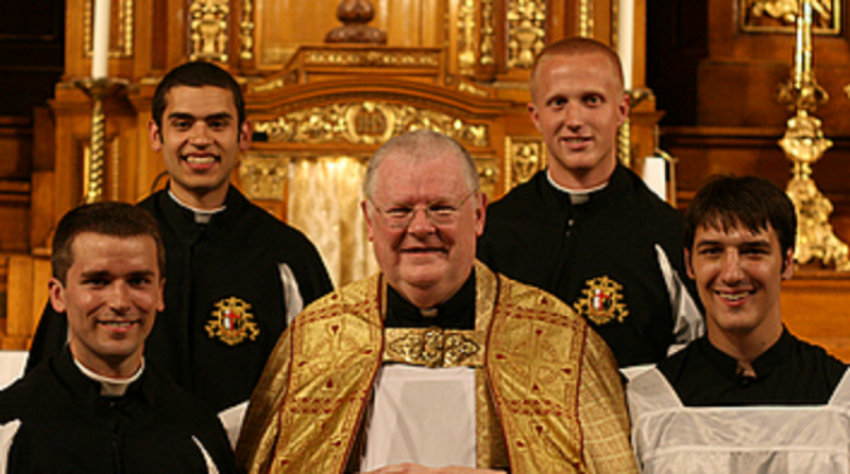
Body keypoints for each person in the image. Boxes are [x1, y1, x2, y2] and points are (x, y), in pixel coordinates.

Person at [235, 130, 636, 473]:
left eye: (442, 208)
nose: (421, 227)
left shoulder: (557, 339)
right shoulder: (315, 340)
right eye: (400, 211)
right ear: (370, 221)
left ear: (478, 215)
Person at [25, 62, 334, 441]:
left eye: (217, 124)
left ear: (244, 135)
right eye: (183, 124)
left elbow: (323, 382)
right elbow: (48, 375)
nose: (200, 139)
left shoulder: (287, 254)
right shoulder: (111, 245)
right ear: (157, 134)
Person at [477, 37, 702, 371]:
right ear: (536, 116)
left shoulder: (666, 232)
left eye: (592, 100)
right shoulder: (495, 231)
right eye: (558, 103)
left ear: (622, 110)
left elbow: (695, 353)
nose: (575, 120)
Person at [628, 176, 849, 473]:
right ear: (690, 264)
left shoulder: (841, 399)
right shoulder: (650, 402)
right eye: (712, 252)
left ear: (786, 263)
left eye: (753, 251)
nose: (732, 274)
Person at [0, 202, 235, 473]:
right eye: (98, 281)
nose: (120, 302)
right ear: (58, 295)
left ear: (160, 293)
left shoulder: (197, 427)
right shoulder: (12, 424)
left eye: (138, 281)